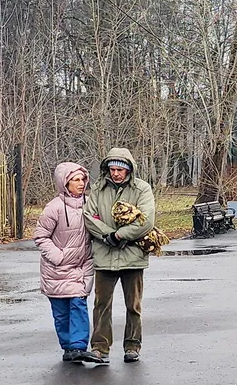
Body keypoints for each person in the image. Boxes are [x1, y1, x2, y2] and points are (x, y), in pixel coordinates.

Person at [83, 148, 156, 364]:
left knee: (133, 304)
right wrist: (109, 236)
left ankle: (133, 346)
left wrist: (121, 235)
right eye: (112, 169)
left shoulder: (142, 189)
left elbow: (146, 220)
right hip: (104, 254)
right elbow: (89, 216)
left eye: (120, 170)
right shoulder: (98, 189)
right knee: (101, 304)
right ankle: (99, 347)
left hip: (132, 255)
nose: (115, 174)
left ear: (128, 170)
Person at [35, 162, 96, 363]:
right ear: (65, 183)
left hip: (80, 267)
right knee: (61, 312)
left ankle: (78, 346)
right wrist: (57, 256)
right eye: (75, 180)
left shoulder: (91, 204)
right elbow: (41, 236)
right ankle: (68, 348)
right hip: (56, 269)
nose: (81, 184)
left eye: (82, 179)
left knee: (78, 304)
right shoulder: (54, 208)